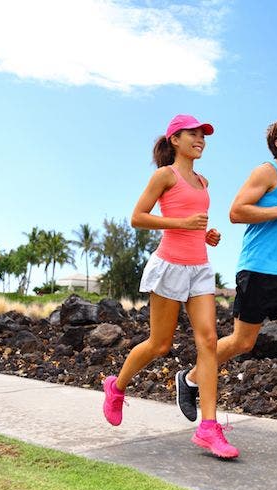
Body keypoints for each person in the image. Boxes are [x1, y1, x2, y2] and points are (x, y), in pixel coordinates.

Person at [176, 117, 277, 447]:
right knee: (243, 342)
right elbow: (237, 212)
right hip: (257, 271)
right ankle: (191, 378)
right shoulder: (267, 172)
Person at [102, 114, 239, 459]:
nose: (200, 140)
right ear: (175, 140)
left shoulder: (204, 181)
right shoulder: (165, 175)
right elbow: (137, 217)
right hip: (170, 266)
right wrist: (184, 223)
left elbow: (193, 224)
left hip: (200, 268)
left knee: (209, 341)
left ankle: (208, 427)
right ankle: (116, 386)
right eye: (193, 134)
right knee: (160, 344)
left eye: (203, 135)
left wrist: (206, 234)